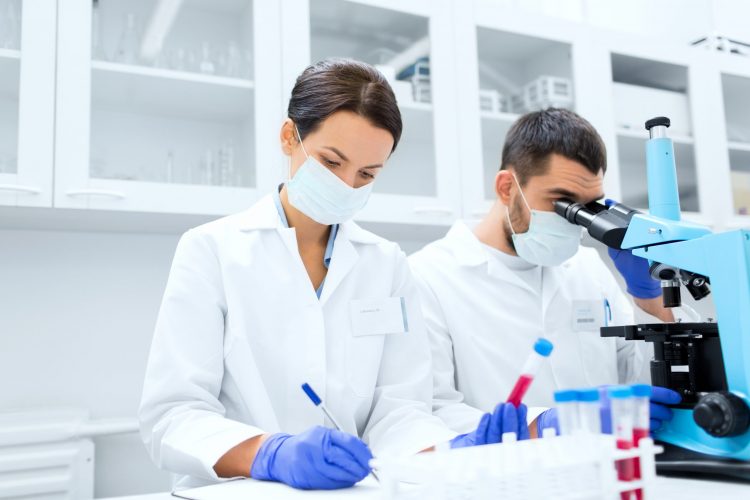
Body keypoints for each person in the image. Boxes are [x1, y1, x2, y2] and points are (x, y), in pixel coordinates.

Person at [139, 58, 527, 491]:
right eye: (330, 162)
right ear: (290, 137)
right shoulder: (212, 249)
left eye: (366, 174)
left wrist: (448, 451)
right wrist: (270, 453)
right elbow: (173, 415)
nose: (346, 184)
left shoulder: (386, 264)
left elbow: (398, 410)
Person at [408, 108, 682, 437]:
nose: (574, 219)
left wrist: (650, 298)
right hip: (508, 479)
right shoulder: (429, 275)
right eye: (562, 202)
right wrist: (548, 424)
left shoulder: (588, 268)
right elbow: (433, 411)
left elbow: (644, 386)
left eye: (588, 206)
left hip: (605, 476)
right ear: (507, 188)